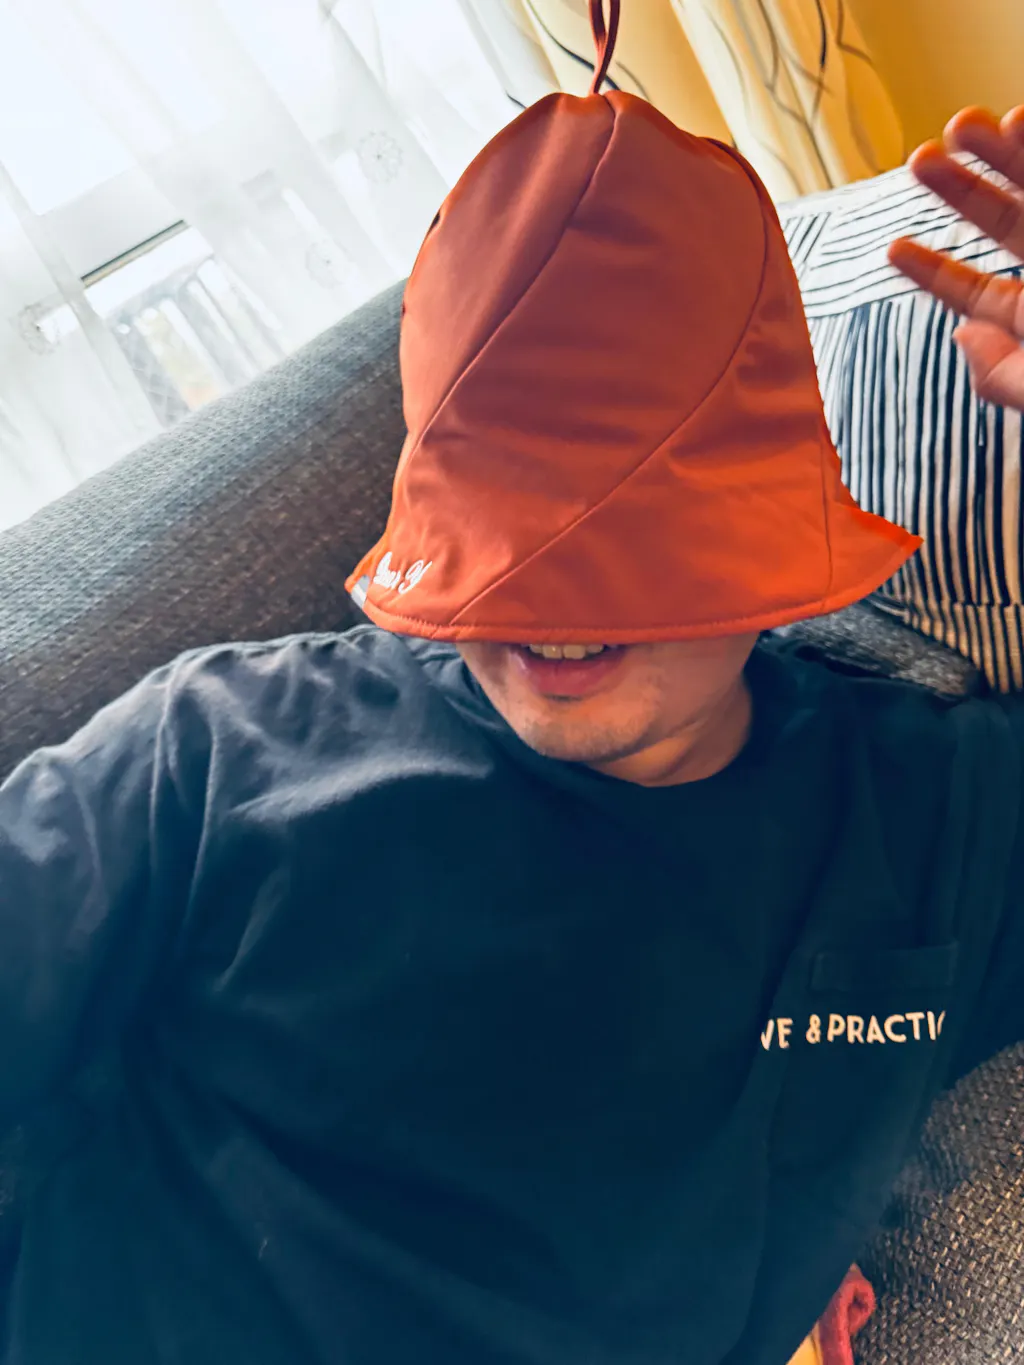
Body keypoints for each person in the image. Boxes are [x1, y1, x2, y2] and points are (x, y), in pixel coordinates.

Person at [2, 0, 1024, 1355]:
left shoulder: (937, 817)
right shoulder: (211, 756)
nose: (550, 601)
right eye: (508, 523)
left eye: (626, 528)